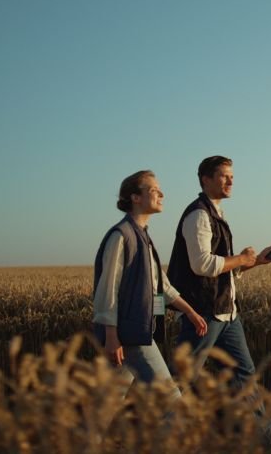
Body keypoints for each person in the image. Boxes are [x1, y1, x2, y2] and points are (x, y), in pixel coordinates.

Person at [167, 155, 271, 448]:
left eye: (232, 176)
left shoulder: (216, 213)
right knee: (183, 380)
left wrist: (253, 263)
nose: (230, 181)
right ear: (205, 179)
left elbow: (221, 273)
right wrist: (241, 258)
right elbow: (202, 265)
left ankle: (270, 444)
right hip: (202, 315)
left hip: (227, 315)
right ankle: (159, 437)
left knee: (245, 377)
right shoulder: (198, 215)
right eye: (224, 176)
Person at [92, 170, 209, 400]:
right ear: (135, 197)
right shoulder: (122, 236)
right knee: (171, 402)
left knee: (107, 405)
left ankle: (79, 436)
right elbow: (108, 290)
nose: (162, 194)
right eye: (154, 190)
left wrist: (191, 312)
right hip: (130, 335)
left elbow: (161, 286)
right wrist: (112, 336)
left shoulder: (143, 237)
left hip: (138, 332)